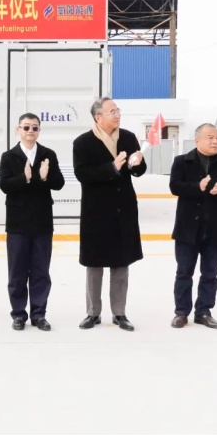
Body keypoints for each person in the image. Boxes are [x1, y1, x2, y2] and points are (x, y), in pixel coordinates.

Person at [73, 97, 146, 332]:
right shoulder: (83, 142)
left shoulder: (128, 138)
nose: (117, 115)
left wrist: (136, 164)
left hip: (123, 209)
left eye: (118, 110)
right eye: (112, 111)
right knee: (94, 264)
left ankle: (119, 313)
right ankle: (92, 312)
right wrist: (112, 167)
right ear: (98, 117)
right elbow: (82, 174)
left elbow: (139, 170)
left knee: (121, 263)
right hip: (96, 211)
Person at [169, 123, 217, 329]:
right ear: (197, 140)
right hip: (187, 228)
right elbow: (175, 186)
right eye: (210, 137)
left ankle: (203, 311)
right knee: (184, 272)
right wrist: (197, 187)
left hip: (215, 228)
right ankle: (181, 312)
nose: (215, 141)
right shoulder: (182, 161)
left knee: (210, 273)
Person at [0, 113, 65, 332]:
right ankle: (18, 314)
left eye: (34, 128)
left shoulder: (48, 155)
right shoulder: (9, 156)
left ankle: (39, 314)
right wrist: (25, 178)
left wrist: (45, 177)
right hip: (17, 223)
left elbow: (59, 183)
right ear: (18, 129)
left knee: (41, 272)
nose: (30, 131)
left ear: (39, 131)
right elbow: (4, 185)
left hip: (42, 222)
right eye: (26, 127)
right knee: (17, 272)